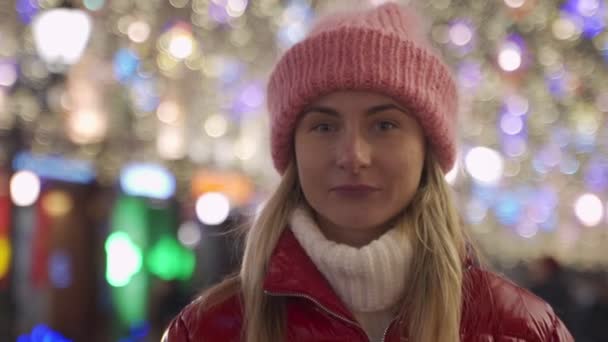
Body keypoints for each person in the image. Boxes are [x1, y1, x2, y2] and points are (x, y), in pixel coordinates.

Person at [163, 3, 573, 341]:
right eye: (324, 126)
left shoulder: (520, 329)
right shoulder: (209, 329)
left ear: (427, 146)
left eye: (384, 125)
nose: (353, 156)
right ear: (293, 149)